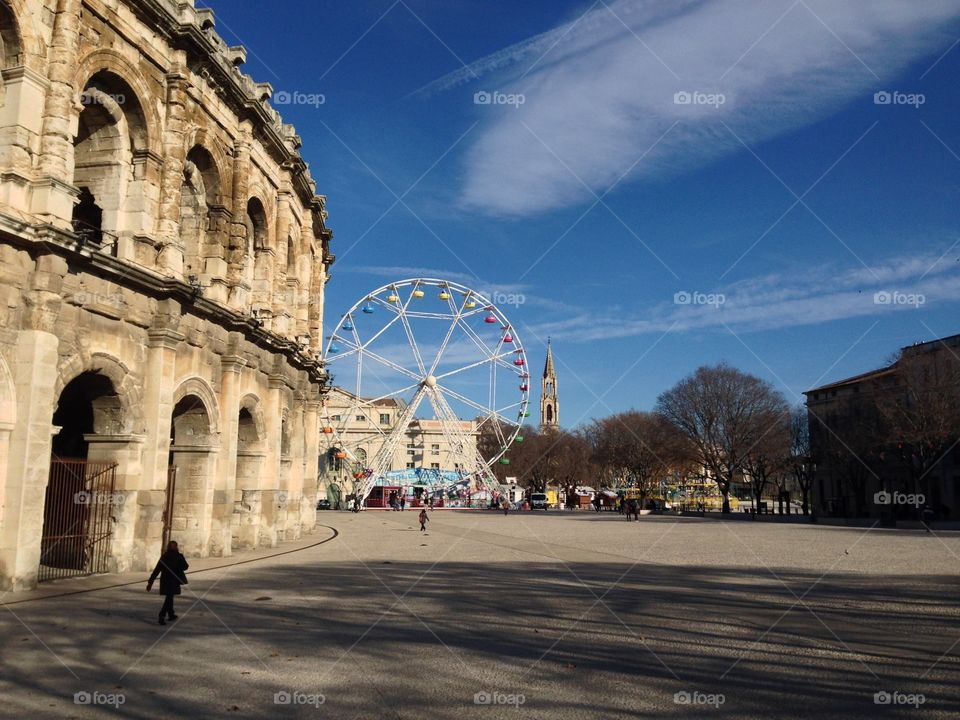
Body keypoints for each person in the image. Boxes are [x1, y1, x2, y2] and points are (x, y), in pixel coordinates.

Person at [147, 540, 189, 625]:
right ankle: (162, 615)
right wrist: (178, 566)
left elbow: (156, 570)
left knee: (170, 597)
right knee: (169, 598)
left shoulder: (164, 557)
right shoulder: (179, 556)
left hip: (165, 580)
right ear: (176, 547)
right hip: (174, 580)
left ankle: (171, 614)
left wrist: (150, 582)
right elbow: (185, 566)